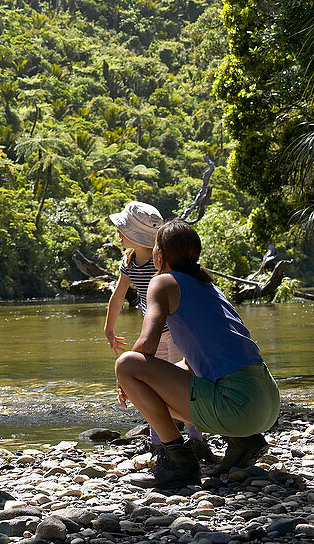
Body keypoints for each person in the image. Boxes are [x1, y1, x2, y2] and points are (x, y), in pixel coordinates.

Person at [115, 219, 280, 487]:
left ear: (159, 255)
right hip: (266, 402)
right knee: (169, 371)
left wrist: (125, 380)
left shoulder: (163, 283)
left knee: (127, 365)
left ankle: (178, 461)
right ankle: (243, 441)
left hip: (238, 407)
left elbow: (146, 347)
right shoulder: (208, 285)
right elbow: (198, 361)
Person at [105, 201, 215, 462]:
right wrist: (109, 329)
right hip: (152, 332)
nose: (118, 234)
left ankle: (196, 440)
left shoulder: (163, 264)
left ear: (135, 235)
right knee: (156, 385)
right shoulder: (129, 262)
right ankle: (160, 442)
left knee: (182, 381)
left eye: (122, 230)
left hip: (175, 330)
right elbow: (118, 296)